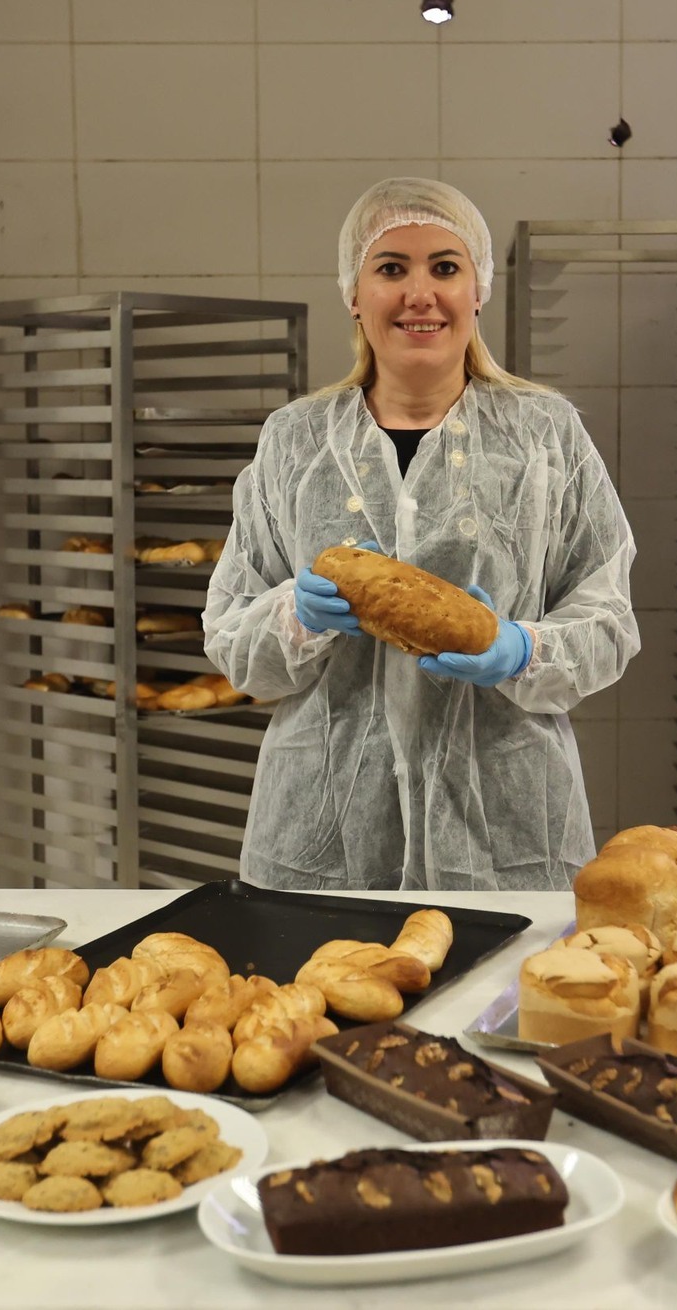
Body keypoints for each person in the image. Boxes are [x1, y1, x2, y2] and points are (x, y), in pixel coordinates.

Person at [203, 177, 639, 891]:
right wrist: (292, 616)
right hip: (321, 842)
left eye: (445, 267)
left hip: (506, 839)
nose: (420, 293)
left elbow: (609, 621)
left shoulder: (544, 436)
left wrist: (521, 648)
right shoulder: (294, 443)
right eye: (390, 268)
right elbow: (229, 638)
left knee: (498, 1004)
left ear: (478, 290)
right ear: (353, 292)